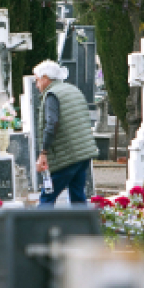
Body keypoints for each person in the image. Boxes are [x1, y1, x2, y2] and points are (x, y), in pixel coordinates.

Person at [33, 60, 97, 206]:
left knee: (47, 197)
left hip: (67, 156)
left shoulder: (52, 94)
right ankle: (83, 228)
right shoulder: (73, 90)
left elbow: (52, 124)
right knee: (78, 197)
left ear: (45, 78)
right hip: (83, 154)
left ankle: (37, 228)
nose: (37, 85)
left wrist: (44, 153)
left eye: (37, 80)